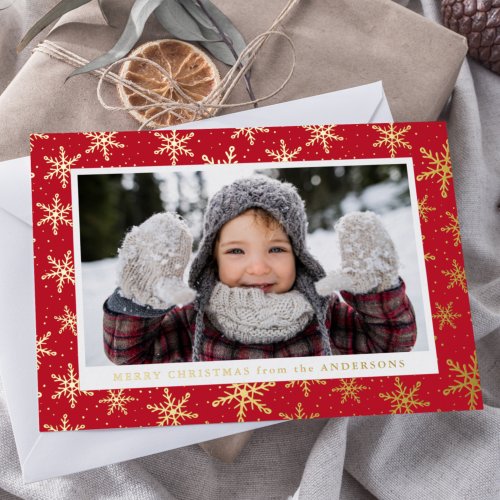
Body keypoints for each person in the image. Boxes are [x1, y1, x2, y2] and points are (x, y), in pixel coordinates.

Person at [103, 175, 417, 364]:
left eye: (277, 249)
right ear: (213, 259)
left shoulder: (324, 311)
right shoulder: (194, 318)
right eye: (236, 251)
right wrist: (139, 299)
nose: (257, 266)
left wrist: (377, 291)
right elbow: (129, 357)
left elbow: (391, 345)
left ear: (299, 257)